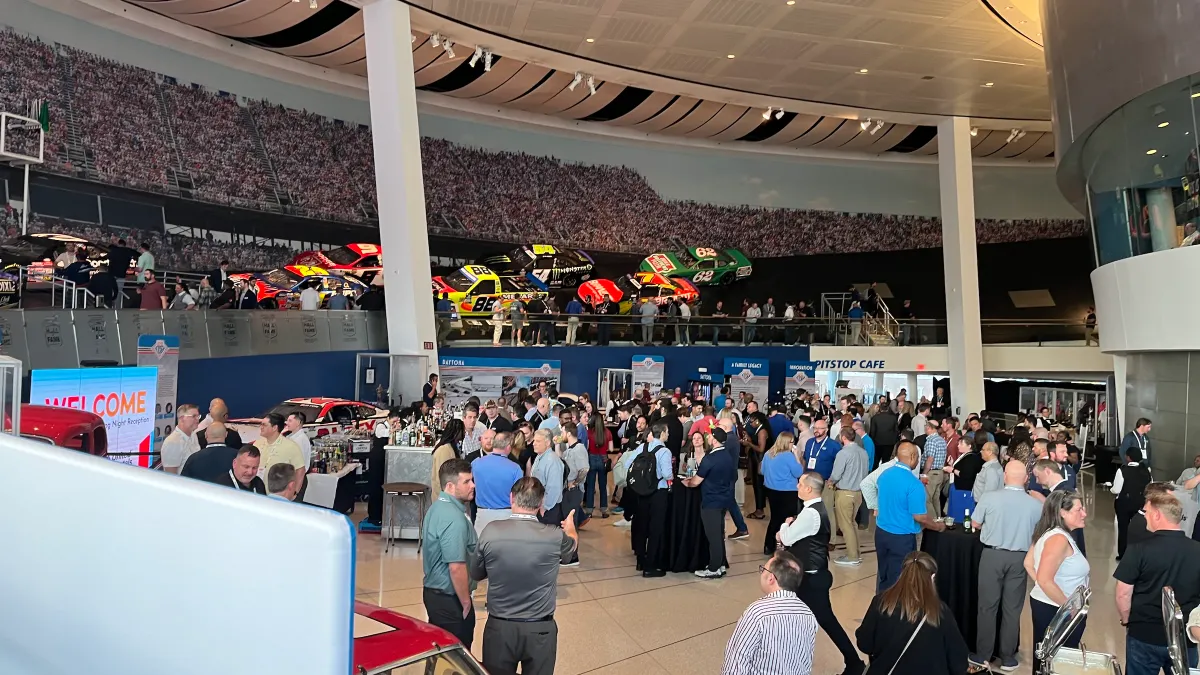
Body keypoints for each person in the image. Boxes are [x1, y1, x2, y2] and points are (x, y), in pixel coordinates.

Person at [472, 477, 578, 675]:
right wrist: (570, 528)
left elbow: (476, 573)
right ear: (541, 502)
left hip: (500, 627)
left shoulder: (491, 531)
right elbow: (571, 549)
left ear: (511, 498)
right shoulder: (554, 536)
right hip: (540, 629)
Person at [779, 471, 866, 675]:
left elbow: (786, 538)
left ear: (808, 488)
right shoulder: (814, 509)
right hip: (809, 575)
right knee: (807, 618)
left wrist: (785, 524)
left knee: (826, 620)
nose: (797, 486)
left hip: (812, 578)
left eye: (800, 484)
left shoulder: (810, 513)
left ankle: (854, 663)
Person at [967, 460, 1042, 673]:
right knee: (1012, 609)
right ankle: (1008, 657)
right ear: (1026, 478)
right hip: (1020, 559)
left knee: (987, 607)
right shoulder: (1035, 505)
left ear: (1005, 476)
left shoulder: (989, 498)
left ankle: (983, 655)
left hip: (992, 555)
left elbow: (975, 523)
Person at [1115, 486, 1200, 675]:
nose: (1144, 516)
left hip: (1144, 635)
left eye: (1147, 512)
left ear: (1158, 515)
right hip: (1184, 639)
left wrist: (1126, 620)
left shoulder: (1139, 550)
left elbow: (1123, 592)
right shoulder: (1197, 550)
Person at [856, 552, 968, 675]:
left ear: (903, 573)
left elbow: (864, 644)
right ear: (932, 577)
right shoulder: (941, 612)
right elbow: (959, 662)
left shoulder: (881, 602)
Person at [722, 550, 818, 675]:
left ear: (771, 578)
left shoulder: (757, 612)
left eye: (763, 569)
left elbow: (737, 658)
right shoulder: (808, 613)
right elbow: (806, 660)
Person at [1026, 491, 1090, 674]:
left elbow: (1028, 564)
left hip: (1048, 605)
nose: (1084, 513)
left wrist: (1042, 585)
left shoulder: (1049, 532)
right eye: (1079, 509)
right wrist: (1070, 609)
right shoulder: (1058, 539)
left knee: (1046, 660)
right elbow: (1045, 580)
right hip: (1056, 611)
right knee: (1059, 664)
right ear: (1062, 512)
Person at [421, 458, 478, 649]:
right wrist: (465, 602)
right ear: (450, 486)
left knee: (440, 654)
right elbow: (456, 566)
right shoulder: (454, 518)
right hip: (450, 599)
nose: (473, 485)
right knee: (456, 658)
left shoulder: (438, 507)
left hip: (437, 595)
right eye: (467, 482)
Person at [874, 442, 945, 592]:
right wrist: (937, 526)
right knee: (900, 579)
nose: (919, 461)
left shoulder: (884, 474)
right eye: (918, 457)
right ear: (912, 457)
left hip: (881, 532)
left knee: (884, 574)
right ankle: (896, 611)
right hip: (901, 538)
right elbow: (920, 517)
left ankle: (881, 605)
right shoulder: (913, 484)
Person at [683, 425, 735, 578]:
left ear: (714, 440)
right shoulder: (727, 455)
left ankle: (713, 569)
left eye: (710, 436)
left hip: (711, 501)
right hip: (723, 499)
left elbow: (696, 482)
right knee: (718, 534)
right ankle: (719, 565)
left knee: (713, 537)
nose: (708, 438)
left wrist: (688, 482)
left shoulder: (710, 458)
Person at [622, 421, 673, 577]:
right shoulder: (664, 451)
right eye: (667, 431)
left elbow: (626, 464)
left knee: (642, 526)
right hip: (658, 493)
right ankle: (651, 565)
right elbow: (667, 474)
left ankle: (640, 560)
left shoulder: (642, 447)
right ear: (662, 433)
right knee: (655, 528)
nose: (669, 434)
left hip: (641, 492)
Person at [830, 426, 869, 566]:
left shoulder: (843, 453)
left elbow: (836, 474)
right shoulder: (863, 452)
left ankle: (852, 556)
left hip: (845, 492)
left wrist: (830, 482)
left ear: (843, 437)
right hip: (858, 493)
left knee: (846, 526)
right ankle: (856, 553)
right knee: (852, 523)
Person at [760, 431, 804, 555]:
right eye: (792, 442)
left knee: (775, 518)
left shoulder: (769, 453)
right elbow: (799, 473)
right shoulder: (788, 456)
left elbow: (762, 471)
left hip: (771, 490)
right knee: (787, 520)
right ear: (787, 443)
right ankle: (784, 546)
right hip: (787, 492)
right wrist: (797, 457)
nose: (793, 445)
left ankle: (769, 546)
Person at [471, 431, 523, 535]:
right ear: (508, 447)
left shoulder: (476, 463)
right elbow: (519, 496)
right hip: (506, 516)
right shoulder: (515, 468)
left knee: (481, 549)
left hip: (482, 514)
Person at [1113, 447, 1153, 560]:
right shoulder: (1146, 471)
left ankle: (1123, 554)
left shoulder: (1122, 470)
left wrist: (1111, 489)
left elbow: (1116, 489)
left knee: (1123, 528)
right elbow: (1150, 487)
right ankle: (1139, 554)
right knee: (1140, 528)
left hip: (1124, 503)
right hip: (1140, 503)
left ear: (1128, 457)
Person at [253, 413, 305, 492]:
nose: (261, 427)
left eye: (264, 425)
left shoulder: (291, 446)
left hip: (277, 496)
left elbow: (300, 471)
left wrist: (295, 493)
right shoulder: (257, 443)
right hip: (256, 492)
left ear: (274, 428)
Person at [947, 437, 985, 522]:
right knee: (955, 508)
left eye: (961, 444)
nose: (958, 446)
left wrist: (952, 470)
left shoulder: (971, 458)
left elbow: (966, 474)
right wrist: (952, 464)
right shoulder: (964, 456)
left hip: (964, 489)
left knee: (961, 510)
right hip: (958, 486)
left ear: (969, 446)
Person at [584, 412, 613, 518]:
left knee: (590, 486)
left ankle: (589, 511)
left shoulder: (588, 432)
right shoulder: (608, 432)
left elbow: (586, 446)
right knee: (603, 486)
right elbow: (610, 448)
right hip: (603, 460)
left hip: (591, 459)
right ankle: (604, 510)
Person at [744, 411, 772, 520]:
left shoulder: (762, 431)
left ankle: (760, 510)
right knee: (757, 485)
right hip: (757, 460)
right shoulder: (759, 429)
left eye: (751, 422)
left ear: (757, 421)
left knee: (759, 485)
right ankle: (759, 508)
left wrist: (749, 444)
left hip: (760, 461)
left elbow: (761, 449)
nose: (750, 424)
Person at [160, 403, 202, 474]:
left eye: (198, 416)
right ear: (182, 419)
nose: (197, 419)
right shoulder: (172, 442)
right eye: (194, 416)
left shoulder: (193, 434)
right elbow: (170, 475)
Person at [430, 419, 466, 500]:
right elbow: (442, 476)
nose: (465, 432)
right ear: (456, 431)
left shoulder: (452, 447)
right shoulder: (444, 450)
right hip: (444, 498)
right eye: (463, 430)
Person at [921, 419, 948, 518]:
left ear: (928, 427)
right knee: (935, 498)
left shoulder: (931, 441)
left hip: (931, 473)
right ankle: (938, 519)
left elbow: (930, 459)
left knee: (927, 498)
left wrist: (924, 473)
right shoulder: (942, 440)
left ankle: (932, 522)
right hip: (940, 473)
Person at [868, 402, 899, 468]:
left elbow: (872, 432)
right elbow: (896, 431)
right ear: (888, 408)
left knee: (876, 461)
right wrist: (895, 441)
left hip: (877, 443)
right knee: (886, 461)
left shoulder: (875, 418)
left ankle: (875, 475)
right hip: (889, 443)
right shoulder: (893, 418)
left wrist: (872, 442)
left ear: (879, 408)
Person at [106, 237, 135, 307]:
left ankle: (109, 306)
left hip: (112, 274)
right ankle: (117, 308)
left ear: (118, 243)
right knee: (119, 292)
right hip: (122, 274)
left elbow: (108, 257)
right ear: (125, 244)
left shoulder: (114, 251)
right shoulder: (128, 252)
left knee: (111, 291)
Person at [972, 439, 1003, 503]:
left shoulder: (991, 470)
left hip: (984, 505)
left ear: (990, 452)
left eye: (983, 450)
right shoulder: (995, 466)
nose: (980, 451)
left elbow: (990, 492)